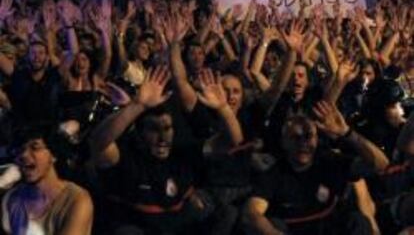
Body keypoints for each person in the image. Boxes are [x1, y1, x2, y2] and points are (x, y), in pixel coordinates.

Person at [90, 66, 243, 235]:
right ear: (140, 133)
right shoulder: (127, 156)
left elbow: (232, 142)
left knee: (227, 214)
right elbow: (98, 144)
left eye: (167, 128)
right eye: (154, 129)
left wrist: (223, 108)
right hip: (138, 228)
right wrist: (137, 105)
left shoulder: (181, 152)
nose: (162, 137)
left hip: (178, 226)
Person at [242, 101, 389, 235]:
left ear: (317, 139)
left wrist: (347, 133)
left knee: (357, 221)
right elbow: (252, 212)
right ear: (284, 143)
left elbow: (380, 164)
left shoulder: (329, 162)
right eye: (296, 137)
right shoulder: (275, 172)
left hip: (331, 229)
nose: (303, 143)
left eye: (308, 136)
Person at [1, 124, 93, 235]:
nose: (24, 155)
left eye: (35, 148)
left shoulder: (75, 199)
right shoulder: (12, 198)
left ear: (53, 155)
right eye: (19, 150)